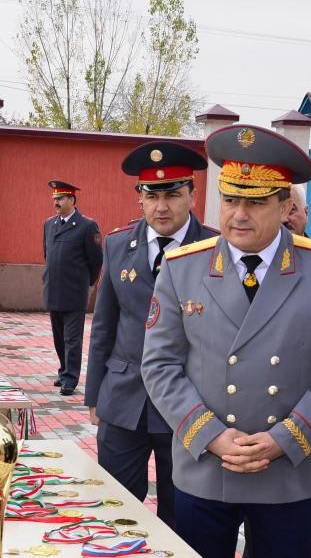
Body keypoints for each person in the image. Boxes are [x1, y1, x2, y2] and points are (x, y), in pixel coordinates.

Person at [142, 123, 311, 558]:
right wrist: (212, 436)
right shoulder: (183, 268)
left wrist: (283, 439)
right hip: (204, 465)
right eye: (231, 199)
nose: (239, 214)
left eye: (256, 202)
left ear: (285, 206)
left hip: (287, 472)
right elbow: (161, 365)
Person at [84, 141, 218, 528]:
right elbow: (104, 325)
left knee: (183, 515)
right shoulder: (117, 244)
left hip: (188, 403)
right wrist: (95, 394)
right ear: (139, 198)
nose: (162, 206)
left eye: (172, 195)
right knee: (115, 510)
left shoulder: (214, 249)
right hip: (124, 400)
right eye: (152, 195)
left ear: (192, 196)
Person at [42, 180, 103, 396]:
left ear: (72, 200)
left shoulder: (87, 226)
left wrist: (86, 283)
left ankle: (70, 379)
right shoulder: (49, 224)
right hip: (54, 290)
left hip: (74, 292)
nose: (56, 203)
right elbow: (47, 255)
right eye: (54, 199)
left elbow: (96, 260)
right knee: (59, 338)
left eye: (60, 198)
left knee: (72, 339)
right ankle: (63, 370)